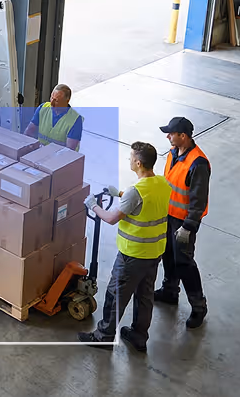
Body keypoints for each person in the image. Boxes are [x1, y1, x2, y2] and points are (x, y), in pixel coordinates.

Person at [78, 141, 171, 352]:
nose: (128, 160)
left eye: (130, 158)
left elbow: (111, 218)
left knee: (115, 294)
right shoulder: (163, 184)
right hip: (154, 253)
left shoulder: (135, 191)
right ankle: (139, 336)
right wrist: (118, 194)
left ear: (138, 163)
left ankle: (104, 336)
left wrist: (93, 205)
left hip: (133, 255)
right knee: (145, 296)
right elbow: (145, 204)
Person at [154, 116, 210, 329]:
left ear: (183, 136)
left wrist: (188, 226)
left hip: (183, 222)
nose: (168, 136)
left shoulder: (198, 163)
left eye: (171, 133)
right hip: (167, 215)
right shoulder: (172, 154)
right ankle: (170, 291)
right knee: (167, 254)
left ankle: (198, 306)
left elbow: (198, 200)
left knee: (184, 263)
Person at [23, 84, 83, 151]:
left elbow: (69, 151)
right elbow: (29, 131)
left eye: (56, 101)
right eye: (52, 98)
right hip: (40, 154)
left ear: (67, 101)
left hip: (60, 159)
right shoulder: (43, 108)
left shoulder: (75, 120)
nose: (52, 103)